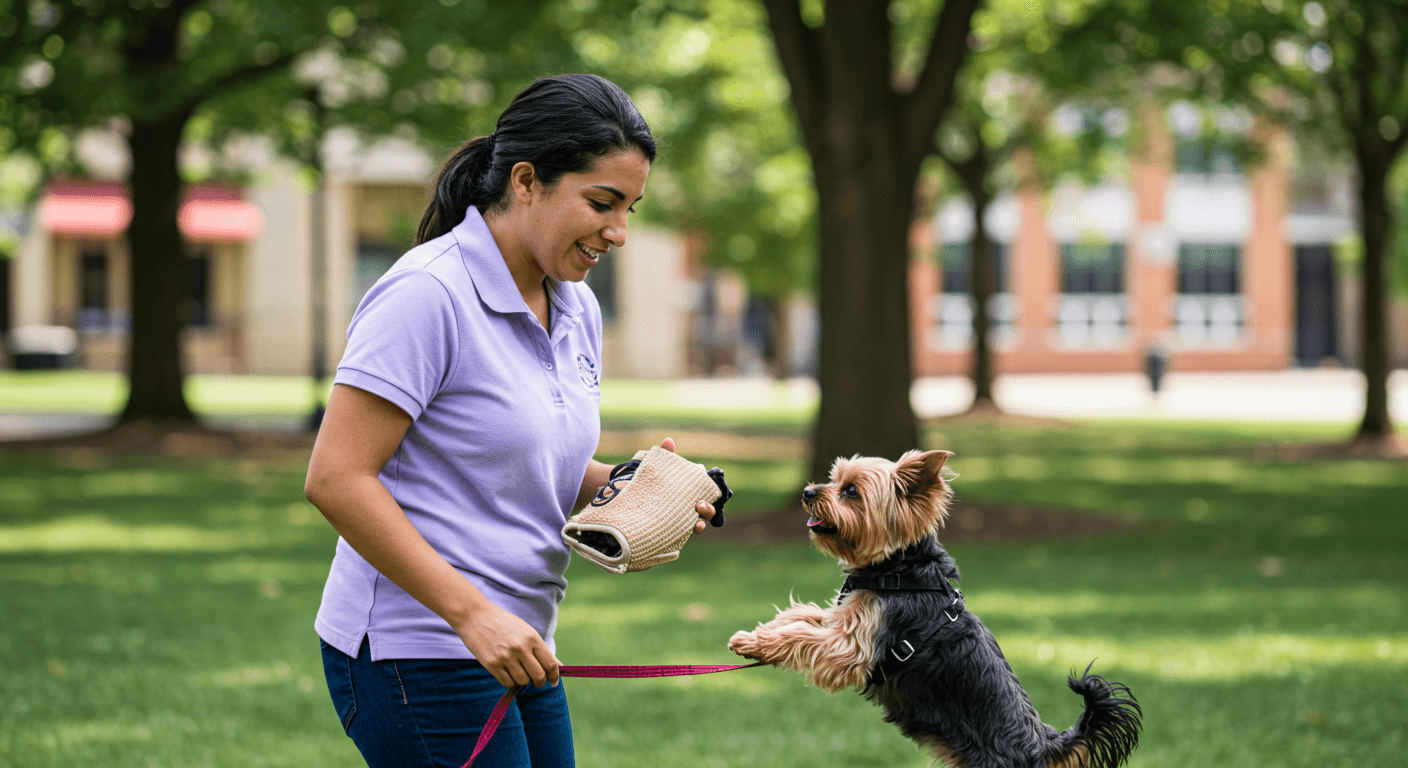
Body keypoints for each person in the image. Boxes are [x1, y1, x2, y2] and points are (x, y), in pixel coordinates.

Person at [305, 73, 716, 768]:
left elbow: (528, 464)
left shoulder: (576, 305)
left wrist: (634, 489)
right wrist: (471, 615)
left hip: (521, 640)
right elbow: (338, 478)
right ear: (526, 181)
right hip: (417, 648)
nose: (617, 232)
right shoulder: (426, 293)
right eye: (601, 203)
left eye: (630, 210)